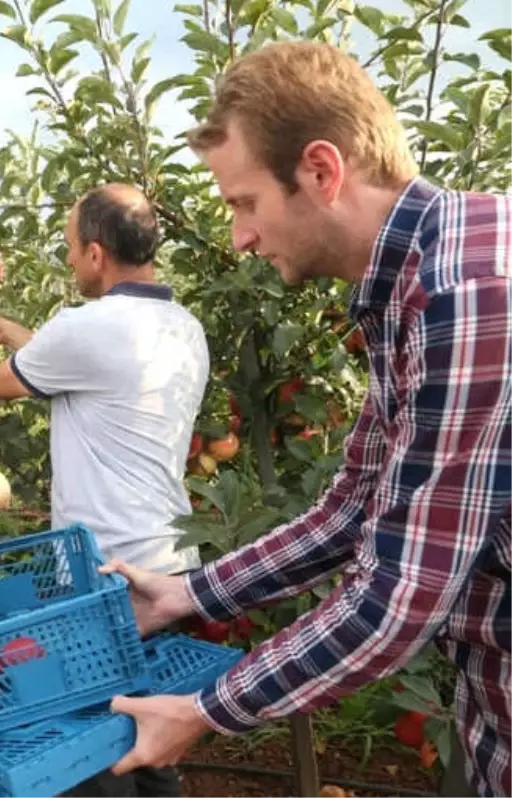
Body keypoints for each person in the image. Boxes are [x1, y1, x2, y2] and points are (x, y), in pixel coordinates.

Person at [98, 40, 512, 798]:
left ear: (321, 171)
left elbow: (399, 598)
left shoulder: (468, 291)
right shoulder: (409, 288)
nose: (240, 237)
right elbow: (355, 505)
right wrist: (191, 592)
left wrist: (207, 710)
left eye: (244, 203)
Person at [0, 183, 210, 797]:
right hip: (170, 564)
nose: (69, 260)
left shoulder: (86, 328)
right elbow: (73, 361)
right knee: (154, 744)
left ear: (96, 253)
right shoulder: (180, 326)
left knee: (92, 753)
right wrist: (11, 328)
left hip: (103, 573)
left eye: (71, 249)